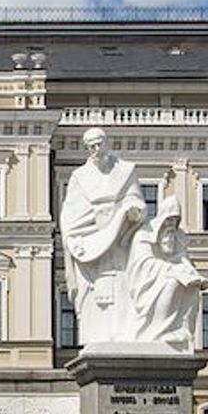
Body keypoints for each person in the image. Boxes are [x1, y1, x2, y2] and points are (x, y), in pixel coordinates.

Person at [59, 128, 146, 346]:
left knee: (124, 289)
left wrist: (133, 210)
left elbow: (136, 198)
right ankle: (99, 337)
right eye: (91, 147)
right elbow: (70, 215)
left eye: (100, 144)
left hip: (122, 239)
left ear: (107, 143)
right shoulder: (80, 177)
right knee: (95, 294)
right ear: (87, 149)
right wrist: (86, 230)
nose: (97, 150)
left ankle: (124, 336)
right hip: (92, 242)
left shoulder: (126, 170)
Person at [125, 196, 208, 350]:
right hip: (146, 283)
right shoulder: (144, 234)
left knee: (192, 287)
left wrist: (193, 274)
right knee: (172, 283)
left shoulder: (178, 236)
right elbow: (142, 264)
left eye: (175, 221)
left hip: (167, 275)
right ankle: (160, 331)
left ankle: (180, 331)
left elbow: (183, 259)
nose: (171, 225)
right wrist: (173, 271)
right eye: (169, 220)